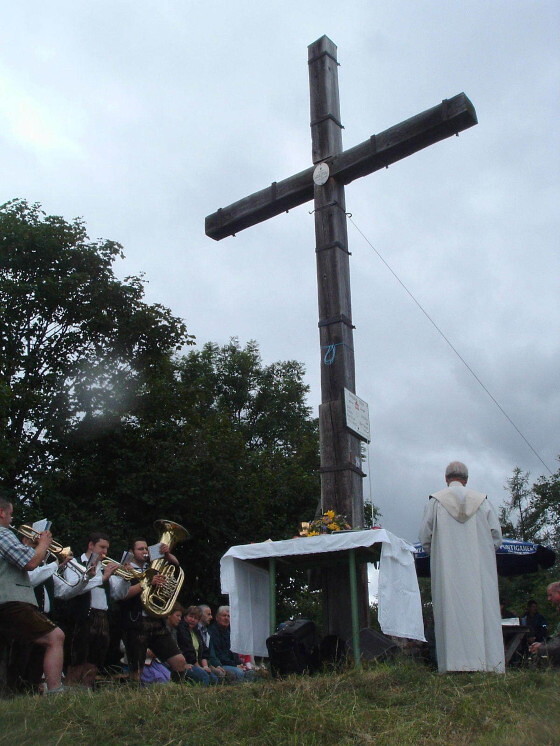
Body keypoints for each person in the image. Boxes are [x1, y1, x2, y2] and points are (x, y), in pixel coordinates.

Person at [419, 461, 505, 673]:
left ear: (446, 479)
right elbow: (496, 537)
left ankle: (453, 665)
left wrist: (439, 554)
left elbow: (425, 538)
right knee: (483, 609)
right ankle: (488, 664)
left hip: (447, 570)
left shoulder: (436, 502)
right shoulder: (482, 502)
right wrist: (483, 553)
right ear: (466, 480)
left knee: (450, 610)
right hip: (479, 569)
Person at [0, 496, 66, 694]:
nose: (12, 519)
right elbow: (30, 563)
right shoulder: (3, 533)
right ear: (2, 513)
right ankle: (55, 691)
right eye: (11, 514)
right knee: (55, 637)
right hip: (11, 599)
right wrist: (43, 543)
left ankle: (12, 694)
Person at [115, 537, 188, 683]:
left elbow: (176, 566)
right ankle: (135, 694)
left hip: (156, 621)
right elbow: (121, 595)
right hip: (135, 622)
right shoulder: (124, 569)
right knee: (136, 670)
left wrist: (167, 555)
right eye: (140, 549)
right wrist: (147, 582)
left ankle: (177, 691)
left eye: (146, 549)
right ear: (131, 552)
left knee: (179, 661)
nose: (144, 551)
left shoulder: (153, 567)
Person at [61, 531, 128, 687]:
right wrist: (102, 578)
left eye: (107, 548)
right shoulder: (75, 563)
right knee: (76, 659)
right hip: (82, 616)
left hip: (102, 617)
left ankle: (86, 692)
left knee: (94, 661)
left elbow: (119, 594)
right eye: (101, 547)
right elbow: (73, 586)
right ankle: (70, 693)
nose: (105, 552)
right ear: (91, 545)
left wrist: (125, 579)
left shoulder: (104, 568)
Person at [208, 605, 255, 681]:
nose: (226, 618)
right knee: (240, 673)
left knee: (251, 672)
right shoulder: (212, 633)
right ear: (217, 617)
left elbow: (234, 652)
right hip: (220, 665)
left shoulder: (229, 633)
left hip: (231, 664)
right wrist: (235, 665)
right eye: (224, 616)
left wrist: (239, 664)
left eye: (229, 616)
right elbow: (219, 655)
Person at [176, 605, 219, 685]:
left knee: (214, 679)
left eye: (196, 618)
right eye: (191, 616)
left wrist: (205, 666)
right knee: (203, 676)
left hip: (198, 664)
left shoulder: (196, 631)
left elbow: (204, 651)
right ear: (185, 617)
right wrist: (199, 667)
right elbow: (188, 651)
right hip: (186, 664)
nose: (193, 620)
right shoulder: (182, 630)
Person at [529, 582, 560, 665]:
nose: (549, 599)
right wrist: (542, 644)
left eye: (550, 595)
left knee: (540, 652)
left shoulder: (539, 617)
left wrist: (542, 647)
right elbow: (557, 635)